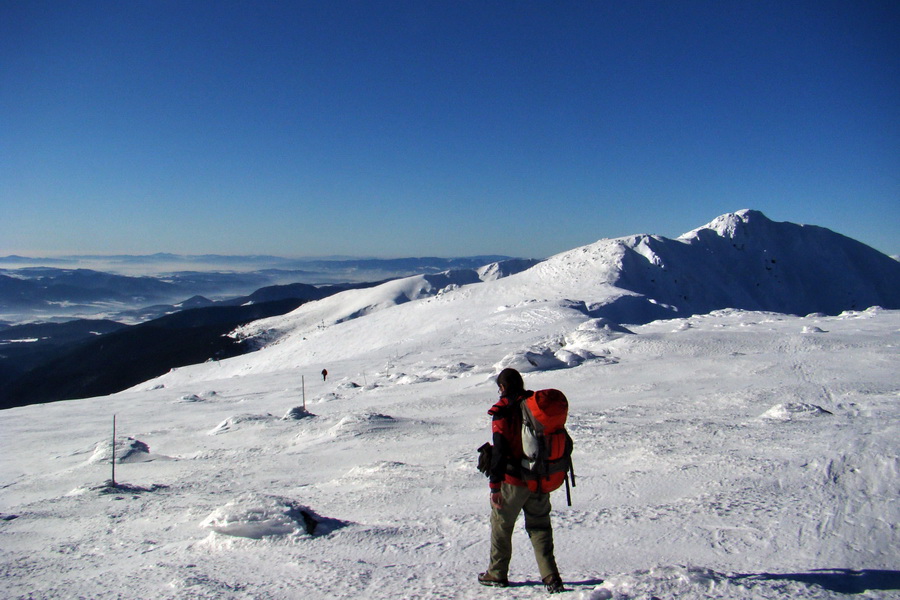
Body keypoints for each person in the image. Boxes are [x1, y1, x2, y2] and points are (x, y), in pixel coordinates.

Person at [479, 368, 565, 593]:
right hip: (538, 478)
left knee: (501, 525)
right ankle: (551, 576)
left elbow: (499, 451)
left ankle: (497, 574)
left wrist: (495, 486)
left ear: (502, 388)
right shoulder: (535, 407)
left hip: (513, 481)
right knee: (540, 527)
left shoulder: (503, 410)